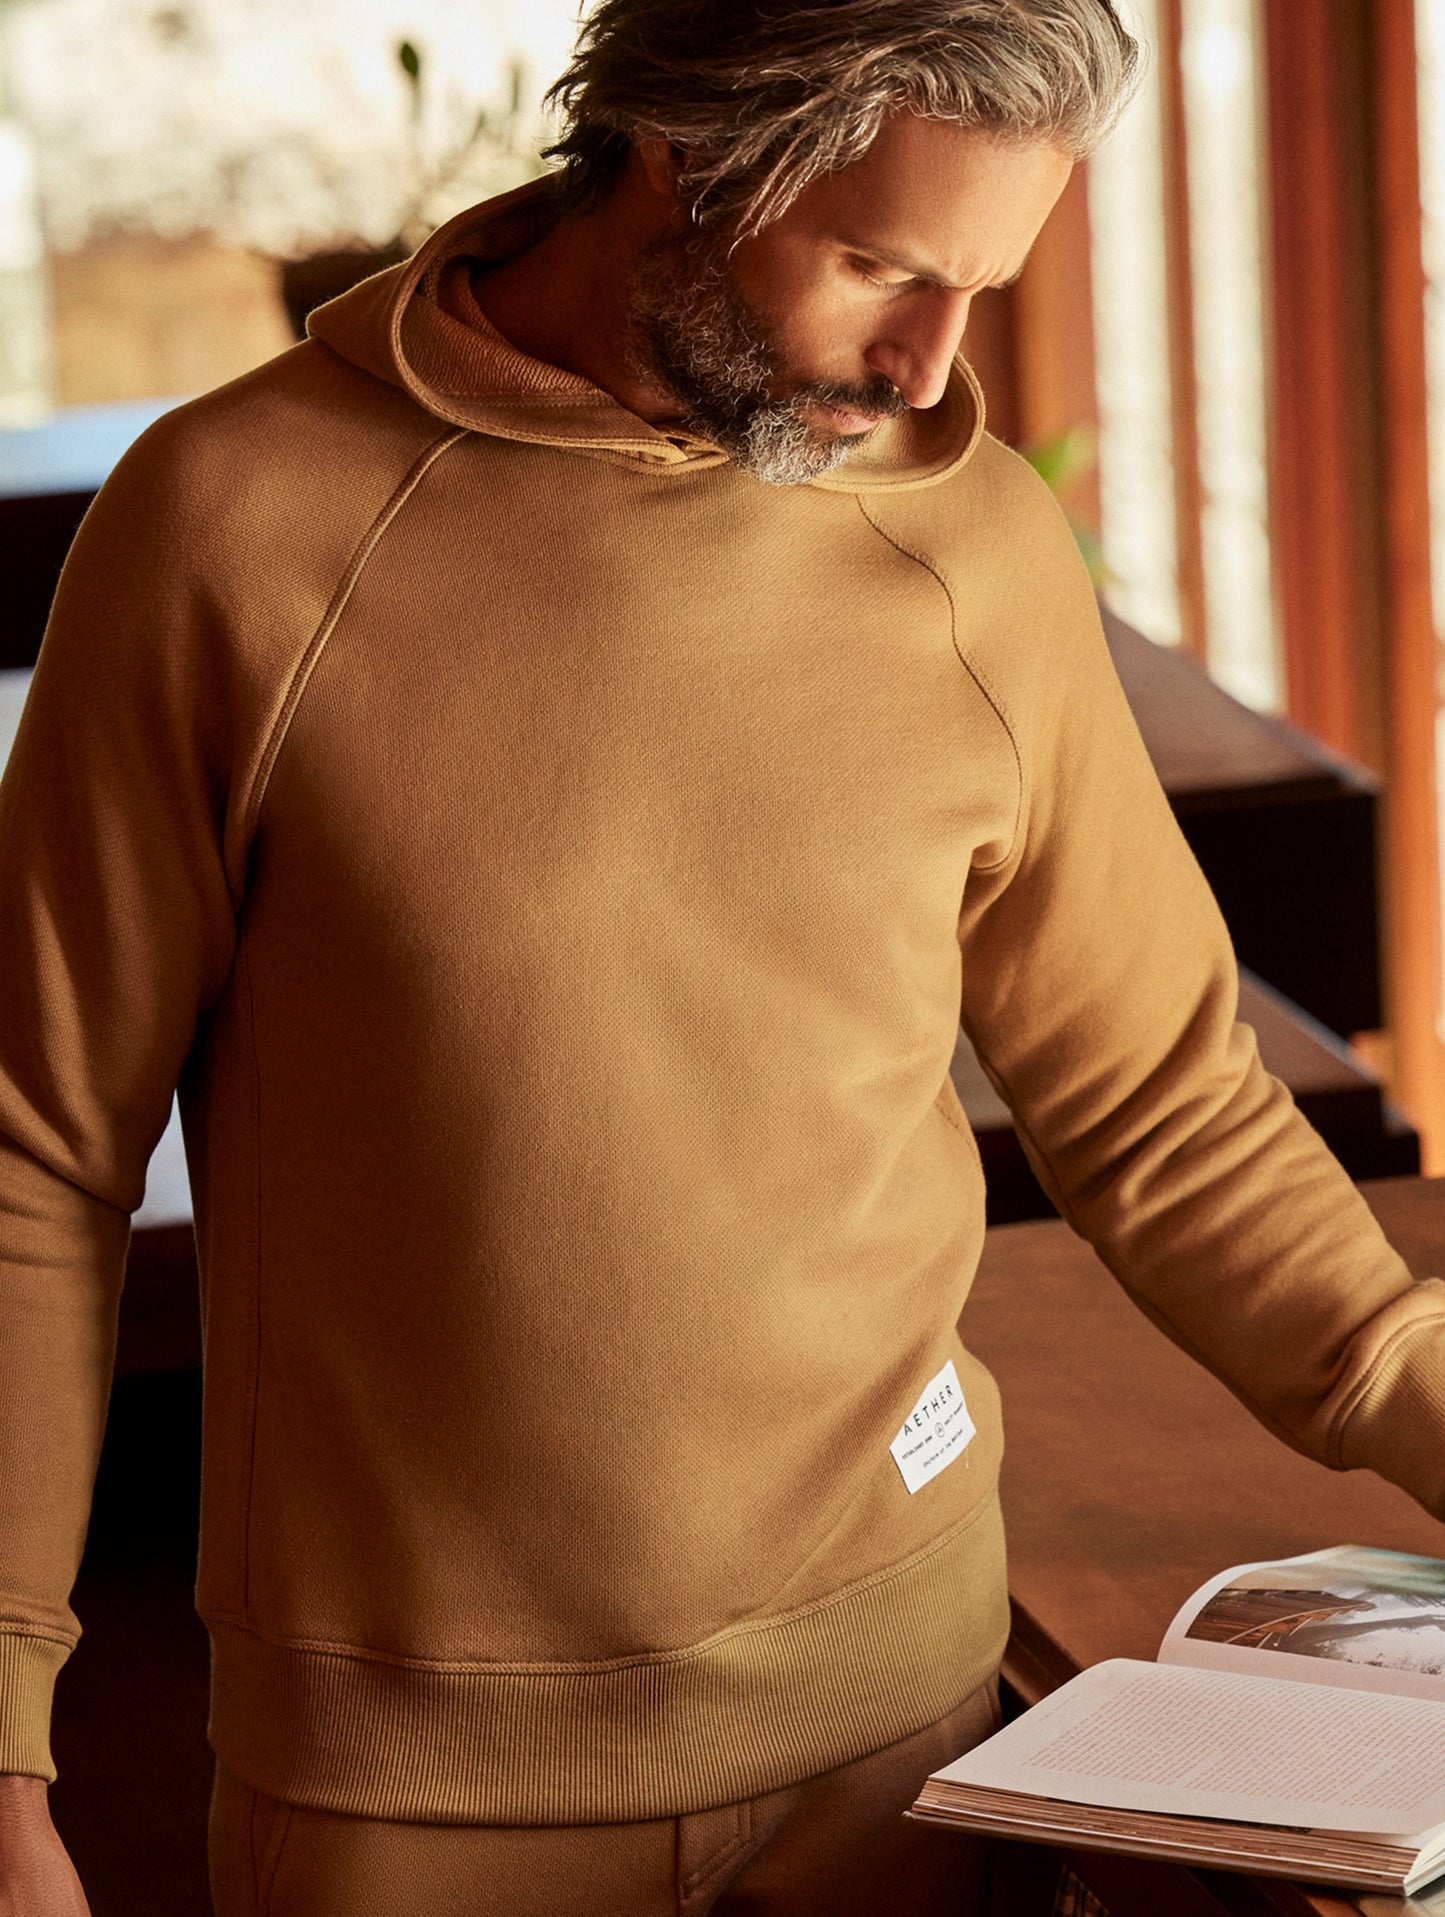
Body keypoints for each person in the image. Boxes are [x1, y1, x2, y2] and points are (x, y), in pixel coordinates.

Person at [1, 1, 1443, 1911]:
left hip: (908, 1740)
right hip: (415, 1799)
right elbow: (38, 1165)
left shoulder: (971, 548)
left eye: (981, 283)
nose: (933, 358)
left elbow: (1167, 1111)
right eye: (876, 264)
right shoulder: (232, 526)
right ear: (684, 153)